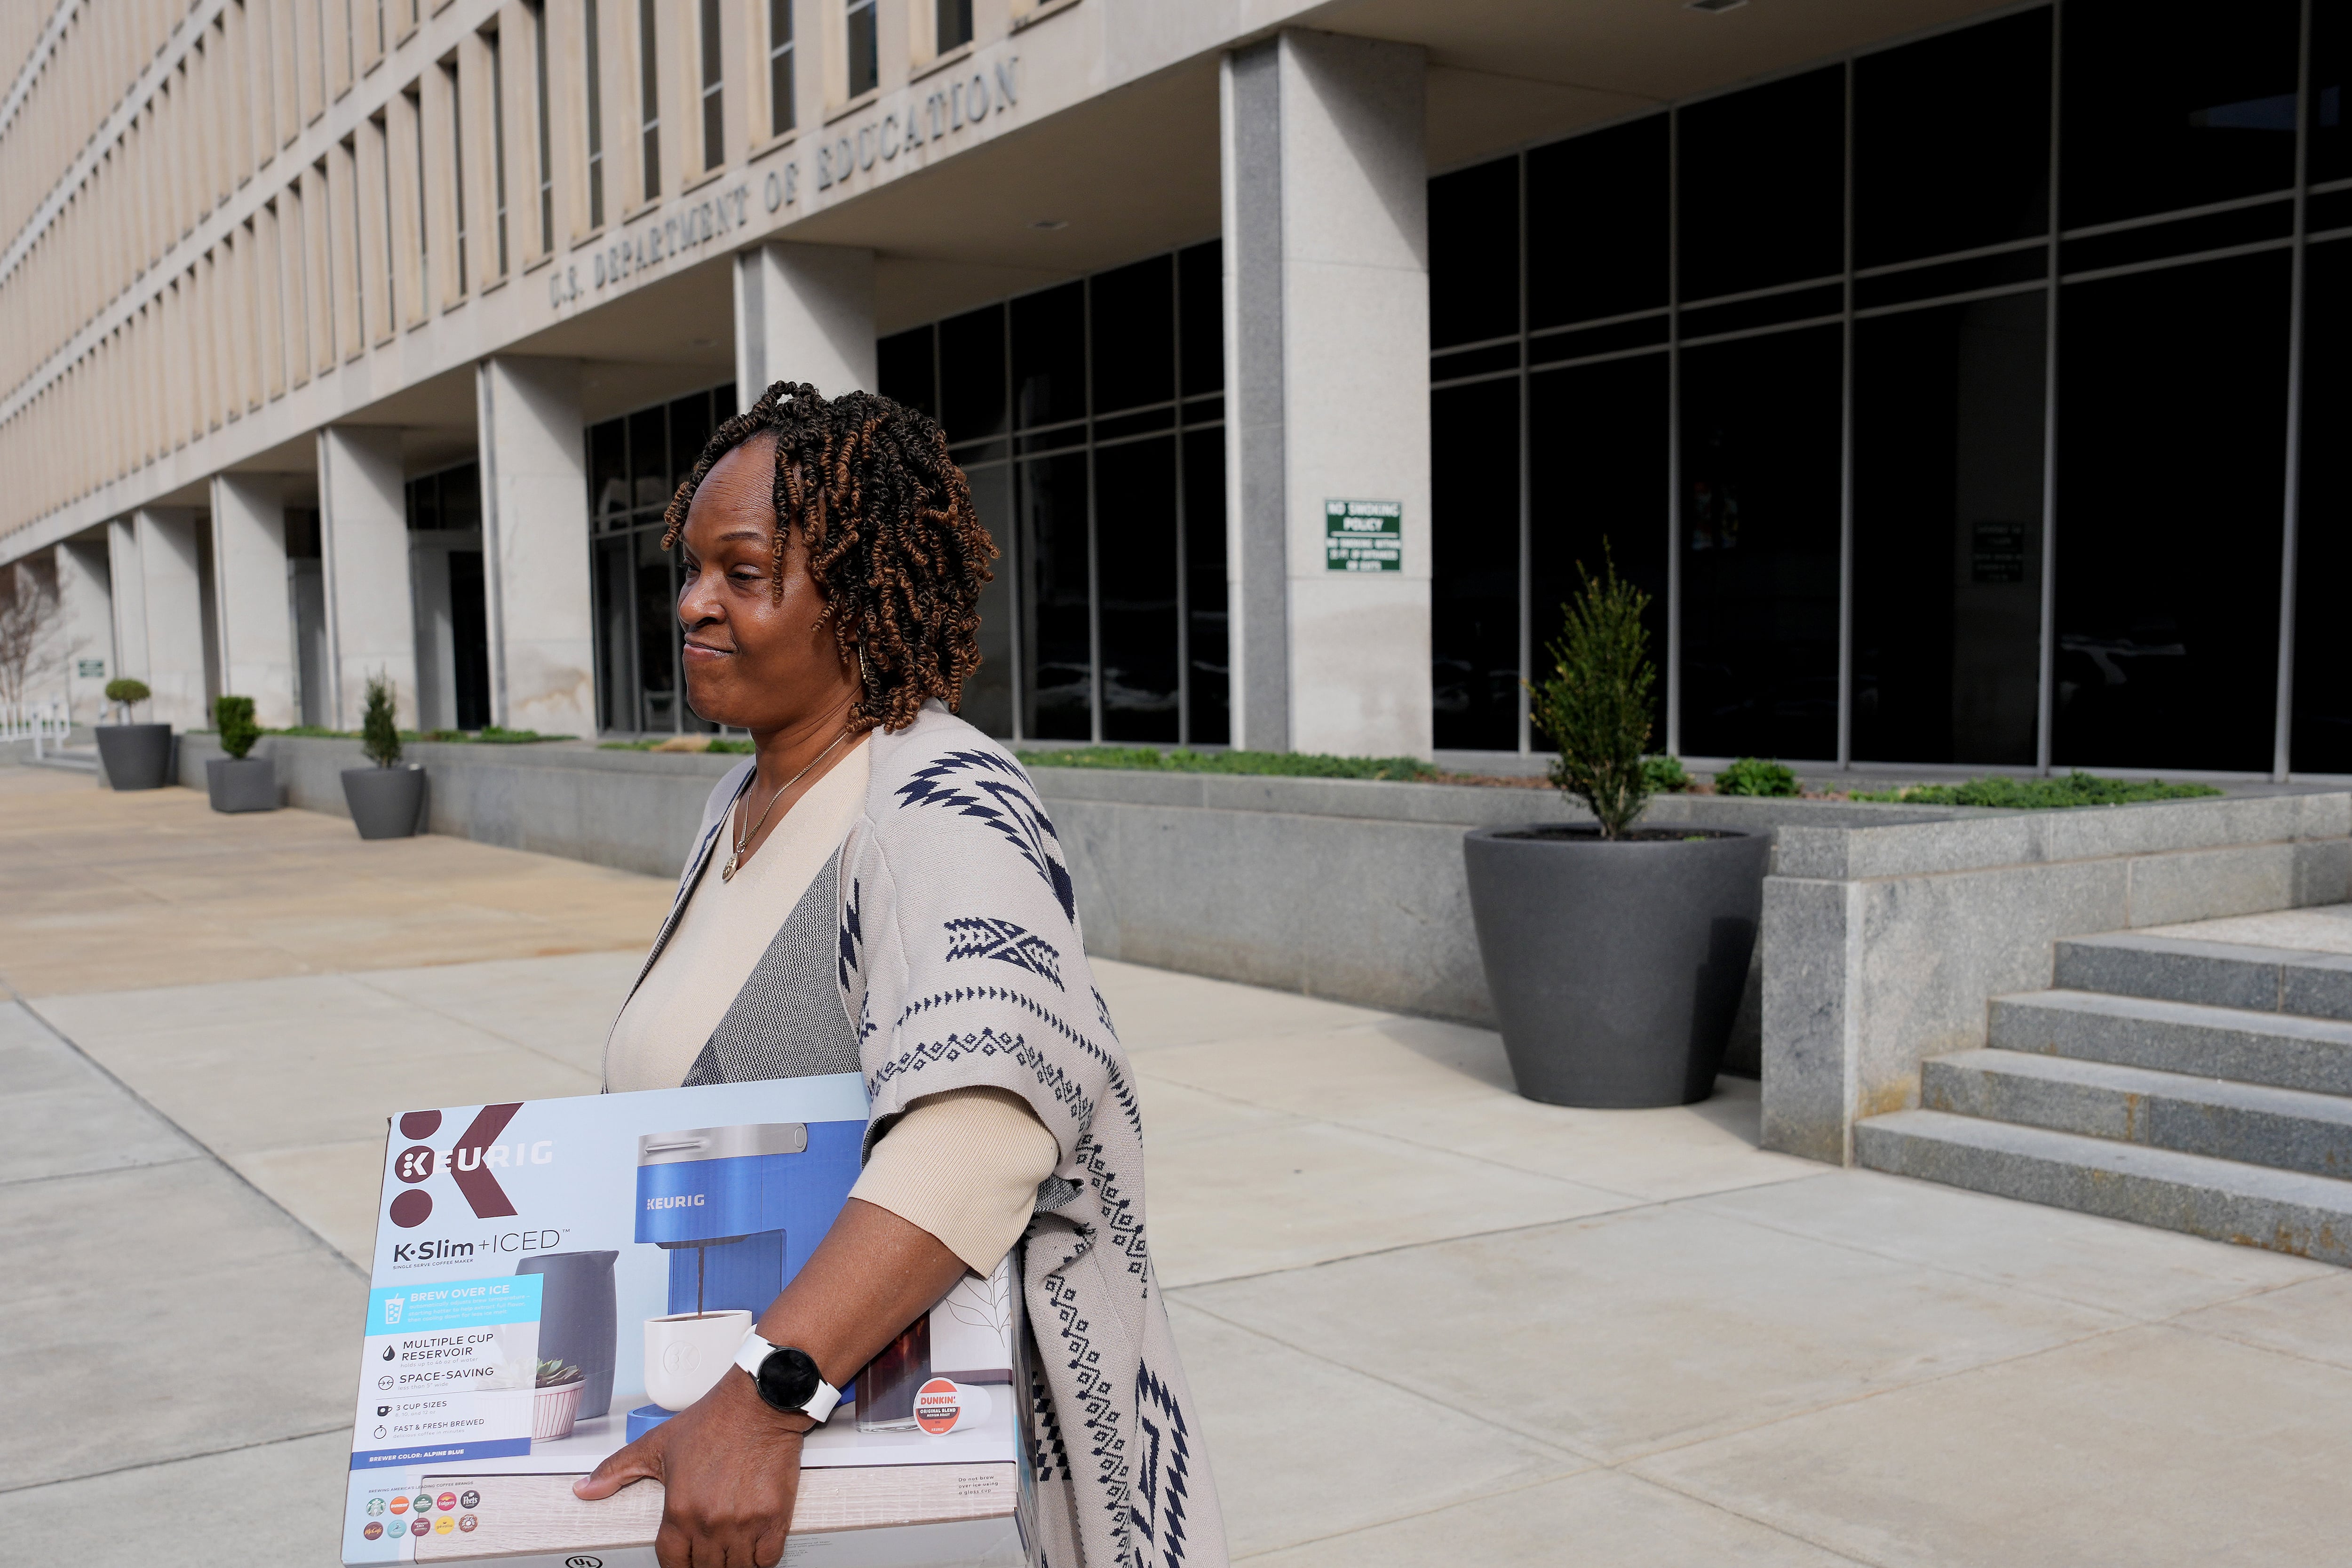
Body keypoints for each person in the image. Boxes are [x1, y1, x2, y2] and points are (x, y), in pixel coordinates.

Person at [577, 382, 1224, 1568]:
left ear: (860, 591)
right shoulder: (744, 800)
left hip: (878, 1469)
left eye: (743, 571)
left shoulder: (938, 801)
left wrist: (764, 1396)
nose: (692, 603)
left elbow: (984, 1126)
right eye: (690, 567)